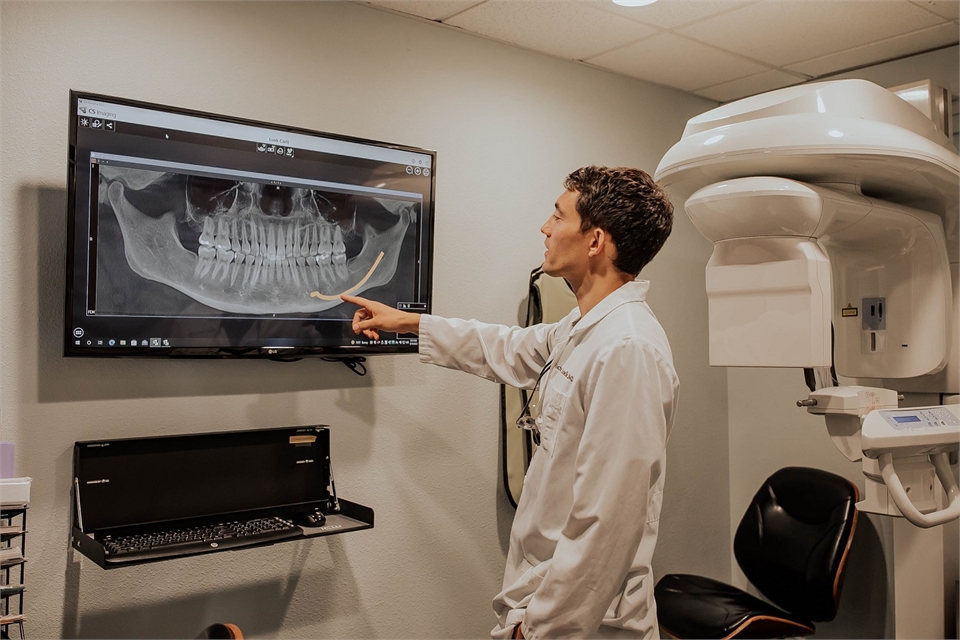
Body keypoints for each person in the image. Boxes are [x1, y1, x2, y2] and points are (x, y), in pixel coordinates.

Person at [342, 166, 679, 639]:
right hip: (541, 598)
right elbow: (508, 347)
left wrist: (541, 630)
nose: (545, 227)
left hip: (583, 624)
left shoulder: (628, 350)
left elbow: (607, 526)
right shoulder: (584, 330)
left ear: (595, 241)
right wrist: (410, 323)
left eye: (557, 216)